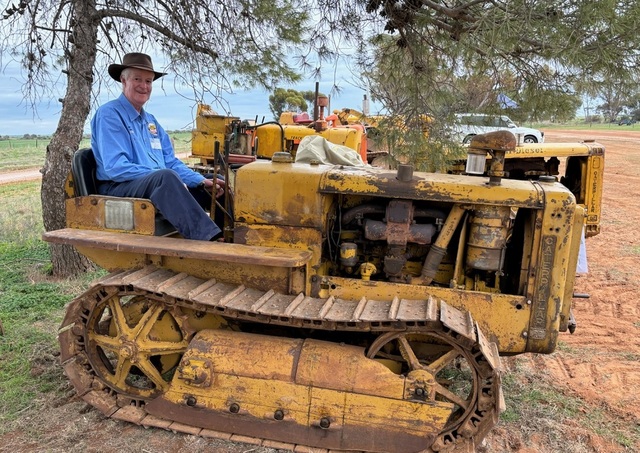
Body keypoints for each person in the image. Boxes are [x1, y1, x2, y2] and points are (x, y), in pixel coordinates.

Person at [91, 52, 223, 241]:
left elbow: (169, 162)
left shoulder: (151, 122)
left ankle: (231, 235)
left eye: (148, 81)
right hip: (117, 187)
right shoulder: (110, 115)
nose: (144, 86)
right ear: (123, 80)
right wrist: (166, 178)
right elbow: (116, 168)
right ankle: (209, 241)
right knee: (166, 178)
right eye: (137, 79)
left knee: (215, 181)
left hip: (156, 184)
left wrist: (200, 181)